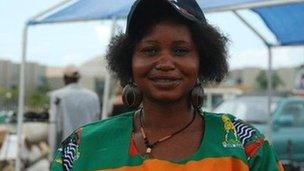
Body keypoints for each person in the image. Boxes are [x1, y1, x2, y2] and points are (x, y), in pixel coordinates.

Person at [51, 0, 284, 170]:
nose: (164, 63)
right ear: (129, 61)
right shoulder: (81, 149)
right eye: (150, 50)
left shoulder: (244, 146)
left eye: (181, 51)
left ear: (202, 60)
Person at [48, 65, 100, 158]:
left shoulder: (58, 96)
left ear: (64, 78)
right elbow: (97, 123)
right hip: (87, 147)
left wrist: (52, 156)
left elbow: (56, 127)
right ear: (78, 78)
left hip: (66, 149)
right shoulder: (93, 96)